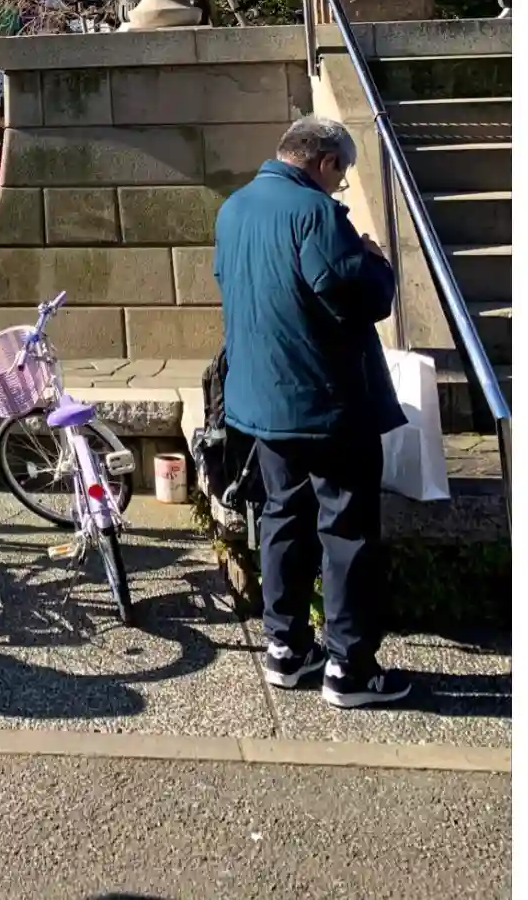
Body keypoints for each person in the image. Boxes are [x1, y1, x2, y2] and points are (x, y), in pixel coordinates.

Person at [214, 116, 409, 710]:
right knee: (346, 529)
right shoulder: (317, 214)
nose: (338, 185)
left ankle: (285, 647)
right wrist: (376, 261)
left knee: (283, 516)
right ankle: (350, 667)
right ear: (325, 162)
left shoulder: (235, 208)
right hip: (327, 400)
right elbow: (358, 296)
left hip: (262, 398)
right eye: (340, 174)